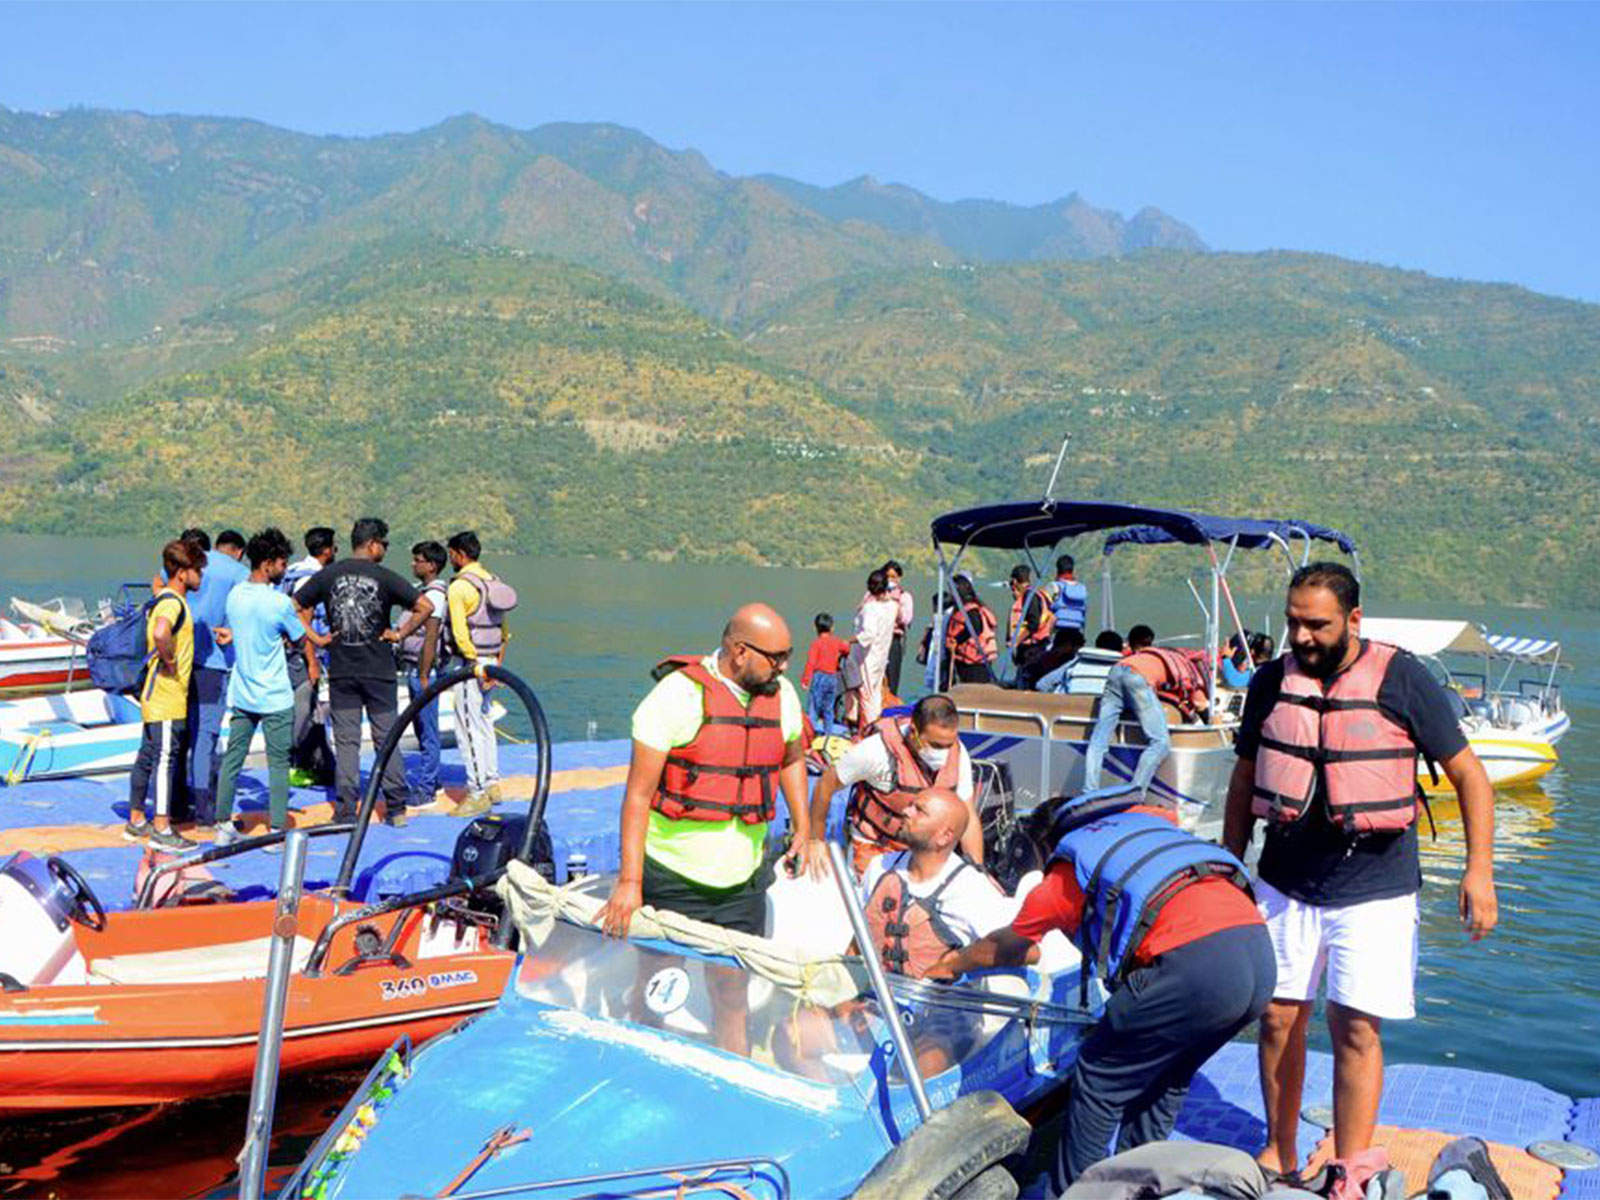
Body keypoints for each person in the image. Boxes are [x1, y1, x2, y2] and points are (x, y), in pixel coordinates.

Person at [1222, 563, 1497, 1180]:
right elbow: (1245, 778)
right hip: (1284, 880)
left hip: (1375, 889)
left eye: (1315, 625)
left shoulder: (1402, 679)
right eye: (1293, 622)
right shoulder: (1271, 682)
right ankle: (1279, 1149)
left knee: (1354, 1028)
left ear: (1352, 620)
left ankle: (1349, 1167)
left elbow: (1470, 776)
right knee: (1276, 1016)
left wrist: (1479, 871)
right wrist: (1227, 863)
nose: (1301, 637)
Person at [929, 793, 1273, 1188]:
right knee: (1164, 1076)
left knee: (1097, 1072)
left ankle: (1074, 1193)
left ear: (1047, 845)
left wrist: (950, 964)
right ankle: (1140, 1187)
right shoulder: (1151, 830)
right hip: (1259, 962)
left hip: (1192, 966)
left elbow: (1009, 946)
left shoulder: (1068, 869)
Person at [596, 605, 812, 1055]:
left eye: (788, 655)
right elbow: (637, 796)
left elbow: (792, 759)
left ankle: (733, 1076)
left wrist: (804, 830)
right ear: (739, 651)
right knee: (658, 986)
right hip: (672, 877)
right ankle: (634, 1061)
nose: (785, 666)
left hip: (742, 883)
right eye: (776, 657)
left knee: (733, 993)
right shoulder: (675, 697)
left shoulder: (783, 696)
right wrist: (630, 883)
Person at [857, 788, 1015, 1074]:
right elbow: (860, 940)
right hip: (878, 1000)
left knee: (923, 1065)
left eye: (920, 811)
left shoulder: (970, 888)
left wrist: (956, 962)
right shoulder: (878, 867)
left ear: (944, 836)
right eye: (912, 806)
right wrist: (845, 996)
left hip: (941, 1015)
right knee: (797, 1030)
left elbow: (1025, 949)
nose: (906, 811)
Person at [293, 517, 428, 827]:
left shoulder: (329, 575)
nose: (385, 549)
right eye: (385, 544)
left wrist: (317, 639)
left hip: (342, 671)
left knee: (347, 742)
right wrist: (400, 633)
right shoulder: (386, 577)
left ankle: (345, 811)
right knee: (386, 738)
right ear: (372, 544)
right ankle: (395, 808)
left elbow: (296, 606)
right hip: (379, 672)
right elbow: (425, 606)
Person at [215, 528, 323, 845]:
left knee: (233, 759)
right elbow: (299, 638)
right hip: (274, 695)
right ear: (267, 564)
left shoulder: (235, 595)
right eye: (281, 563)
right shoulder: (279, 602)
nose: (284, 569)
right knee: (278, 764)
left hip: (243, 692)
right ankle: (277, 831)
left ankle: (222, 827)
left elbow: (242, 630)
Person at [808, 693, 983, 876]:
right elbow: (825, 786)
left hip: (924, 852)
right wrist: (816, 841)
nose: (944, 753)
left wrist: (978, 872)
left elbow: (967, 815)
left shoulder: (958, 753)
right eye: (936, 745)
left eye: (949, 744)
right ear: (914, 732)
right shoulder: (875, 752)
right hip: (874, 847)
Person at [157, 527, 248, 827]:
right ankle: (205, 811)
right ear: (238, 551)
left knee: (179, 737)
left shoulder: (179, 566)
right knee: (205, 737)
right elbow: (249, 610)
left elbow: (158, 587)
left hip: (180, 664)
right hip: (212, 664)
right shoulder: (236, 571)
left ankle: (175, 805)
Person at [126, 539, 204, 849]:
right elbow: (161, 632)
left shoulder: (163, 597)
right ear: (183, 573)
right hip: (167, 694)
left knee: (147, 756)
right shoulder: (173, 602)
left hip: (152, 693)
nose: (202, 576)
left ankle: (135, 821)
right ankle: (161, 826)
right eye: (198, 570)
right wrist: (170, 660)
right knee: (165, 759)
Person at [439, 531, 509, 818]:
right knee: (484, 722)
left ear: (459, 553)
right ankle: (492, 783)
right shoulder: (493, 582)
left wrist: (473, 665)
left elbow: (459, 633)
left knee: (467, 727)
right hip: (491, 660)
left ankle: (478, 792)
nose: (450, 559)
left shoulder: (459, 588)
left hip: (470, 664)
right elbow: (505, 632)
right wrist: (495, 667)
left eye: (452, 553)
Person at [1082, 639, 1210, 795]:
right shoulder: (1189, 670)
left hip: (1116, 671)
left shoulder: (1158, 655)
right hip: (1138, 678)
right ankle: (1135, 792)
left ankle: (1089, 791)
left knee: (1098, 740)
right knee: (1160, 743)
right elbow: (1199, 704)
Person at [394, 540, 449, 809]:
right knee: (421, 728)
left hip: (423, 671)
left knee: (428, 731)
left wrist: (426, 675)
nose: (413, 564)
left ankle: (427, 789)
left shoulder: (436, 597)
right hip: (415, 669)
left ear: (432, 565)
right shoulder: (422, 592)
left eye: (418, 560)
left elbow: (431, 637)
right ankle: (433, 780)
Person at [281, 526, 337, 784]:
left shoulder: (294, 571)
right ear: (326, 550)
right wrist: (312, 660)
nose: (336, 551)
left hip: (295, 653)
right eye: (334, 547)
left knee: (313, 711)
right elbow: (303, 621)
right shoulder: (311, 579)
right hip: (304, 655)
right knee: (303, 712)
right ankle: (293, 763)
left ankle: (321, 765)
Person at [845, 569, 898, 732]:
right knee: (874, 693)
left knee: (866, 693)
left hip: (867, 656)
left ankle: (867, 728)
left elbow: (868, 635)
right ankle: (869, 723)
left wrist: (847, 640)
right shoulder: (893, 606)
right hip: (881, 654)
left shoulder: (870, 609)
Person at [800, 612, 850, 738]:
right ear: (832, 628)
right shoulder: (836, 642)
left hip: (819, 678)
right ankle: (828, 735)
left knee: (814, 709)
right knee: (828, 708)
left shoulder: (816, 644)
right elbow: (846, 648)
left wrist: (805, 680)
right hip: (832, 678)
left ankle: (810, 735)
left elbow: (811, 663)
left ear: (816, 628)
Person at [942, 574, 998, 684]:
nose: (951, 594)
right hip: (967, 661)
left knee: (974, 688)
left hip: (974, 662)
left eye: (952, 590)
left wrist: (956, 640)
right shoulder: (966, 607)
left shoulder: (971, 610)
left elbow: (976, 627)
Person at [1007, 565, 1054, 685]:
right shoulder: (1039, 594)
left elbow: (1034, 623)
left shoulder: (1029, 596)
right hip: (1039, 645)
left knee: (1027, 682)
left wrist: (1015, 641)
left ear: (1015, 581)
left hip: (1032, 650)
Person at [882, 560, 914, 695]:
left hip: (893, 640)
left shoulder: (904, 597)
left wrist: (895, 606)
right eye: (888, 576)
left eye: (894, 577)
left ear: (899, 578)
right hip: (876, 639)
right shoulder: (874, 595)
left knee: (892, 679)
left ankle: (889, 709)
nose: (891, 580)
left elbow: (907, 619)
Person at [1048, 553, 1089, 636]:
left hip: (1058, 629)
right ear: (1072, 570)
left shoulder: (1054, 586)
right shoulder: (1082, 589)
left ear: (1057, 570)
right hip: (1077, 628)